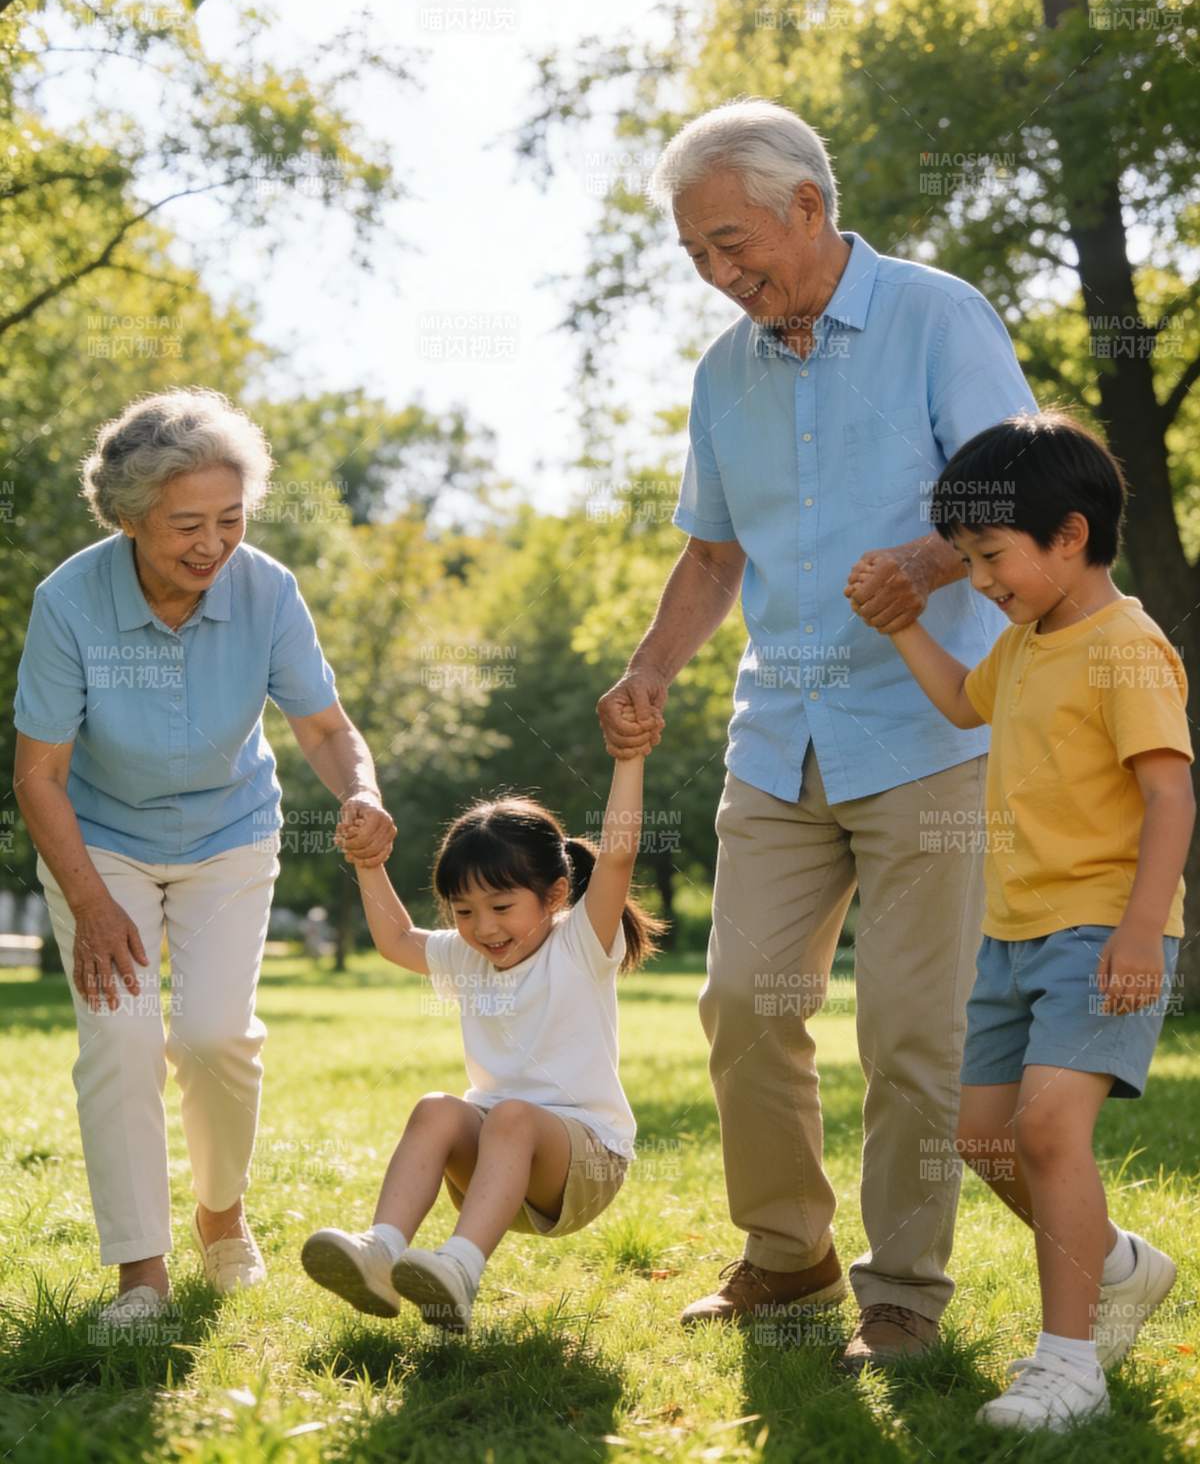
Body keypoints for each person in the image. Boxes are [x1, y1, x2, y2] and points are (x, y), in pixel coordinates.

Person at [598, 97, 1038, 1367]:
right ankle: (789, 1257)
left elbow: (1015, 483)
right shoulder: (721, 374)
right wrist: (650, 667)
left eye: (732, 244)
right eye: (696, 254)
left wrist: (922, 562)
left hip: (930, 730)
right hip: (778, 738)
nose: (718, 273)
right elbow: (712, 553)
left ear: (807, 206)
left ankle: (902, 1291)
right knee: (742, 1002)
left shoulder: (936, 316)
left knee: (911, 1030)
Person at [12, 388, 396, 1327]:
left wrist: (362, 791)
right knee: (122, 1036)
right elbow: (39, 776)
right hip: (102, 842)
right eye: (187, 525)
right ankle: (141, 1275)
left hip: (230, 834)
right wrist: (91, 903)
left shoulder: (267, 590)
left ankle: (221, 1215)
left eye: (230, 518)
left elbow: (325, 728)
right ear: (130, 517)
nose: (213, 544)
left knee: (215, 1036)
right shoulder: (68, 602)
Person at [850, 410, 1192, 1430]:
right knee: (983, 1136)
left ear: (1070, 535)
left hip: (1101, 928)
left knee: (1047, 1131)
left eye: (991, 555)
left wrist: (1141, 930)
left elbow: (1171, 794)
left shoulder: (1128, 648)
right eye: (966, 558)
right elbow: (965, 704)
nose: (980, 578)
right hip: (1011, 933)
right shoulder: (1026, 642)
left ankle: (1069, 1365)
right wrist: (903, 624)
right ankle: (1117, 1263)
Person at [301, 752, 661, 1332]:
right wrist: (368, 860)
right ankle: (380, 1252)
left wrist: (628, 756)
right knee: (437, 1108)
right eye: (463, 911)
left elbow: (618, 853)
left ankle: (459, 1269)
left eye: (501, 907)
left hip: (587, 1164)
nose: (484, 928)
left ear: (555, 895)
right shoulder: (468, 956)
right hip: (496, 1167)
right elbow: (396, 939)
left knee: (512, 1115)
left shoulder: (580, 944)